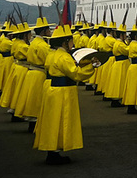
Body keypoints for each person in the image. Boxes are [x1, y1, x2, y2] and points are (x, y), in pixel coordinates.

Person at [32, 23, 96, 165]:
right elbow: (76, 74)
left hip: (52, 90)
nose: (73, 42)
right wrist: (91, 66)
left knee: (52, 121)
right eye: (71, 40)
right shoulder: (63, 57)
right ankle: (54, 153)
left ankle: (51, 150)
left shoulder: (52, 54)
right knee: (60, 121)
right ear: (65, 42)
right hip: (62, 92)